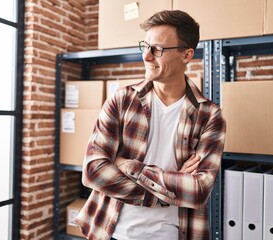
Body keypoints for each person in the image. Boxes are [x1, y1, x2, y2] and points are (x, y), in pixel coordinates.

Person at [75, 10, 226, 240]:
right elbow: (93, 171)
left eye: (158, 50)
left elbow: (198, 190)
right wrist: (166, 192)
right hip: (112, 231)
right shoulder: (122, 100)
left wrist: (127, 166)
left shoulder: (209, 116)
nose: (146, 56)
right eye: (145, 46)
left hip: (170, 234)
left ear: (186, 55)